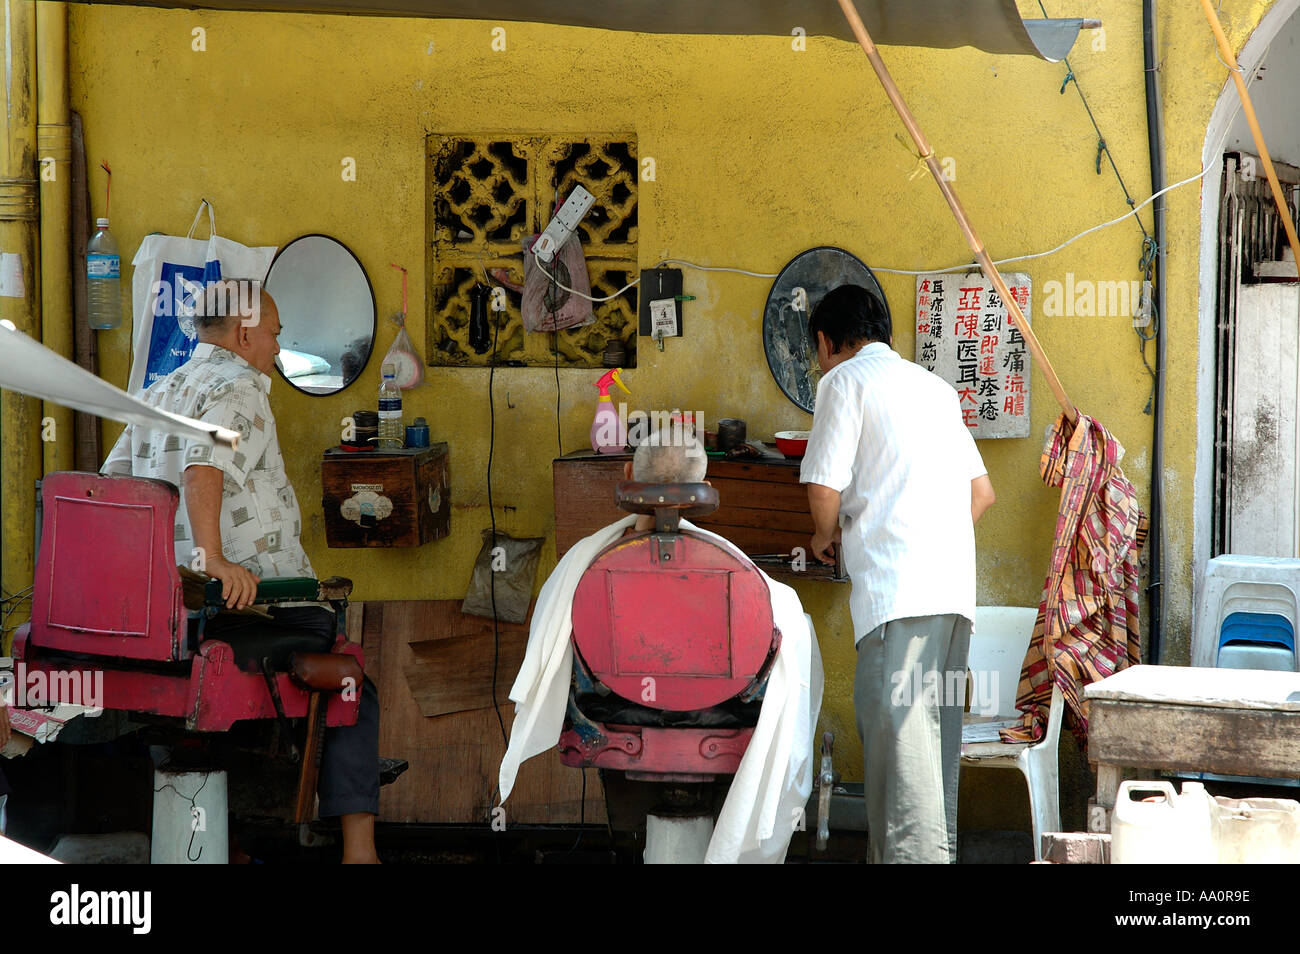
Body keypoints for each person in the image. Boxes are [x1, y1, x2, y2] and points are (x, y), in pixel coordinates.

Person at [102, 281, 382, 863]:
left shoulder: (162, 389)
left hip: (171, 616)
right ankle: (360, 854)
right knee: (351, 676)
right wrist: (214, 561)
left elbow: (112, 489)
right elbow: (206, 469)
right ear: (246, 333)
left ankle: (233, 839)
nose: (278, 350)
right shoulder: (241, 388)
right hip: (246, 607)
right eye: (275, 336)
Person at [498, 433, 823, 863]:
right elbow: (787, 657)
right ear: (704, 486)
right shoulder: (738, 572)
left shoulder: (585, 566)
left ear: (628, 474)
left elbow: (555, 649)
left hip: (615, 715)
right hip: (728, 716)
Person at [800, 284, 995, 864]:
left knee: (901, 773)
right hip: (955, 605)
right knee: (931, 768)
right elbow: (981, 495)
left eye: (817, 351)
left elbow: (823, 490)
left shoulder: (842, 381)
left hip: (898, 602)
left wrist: (822, 536)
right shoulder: (935, 389)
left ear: (827, 342)